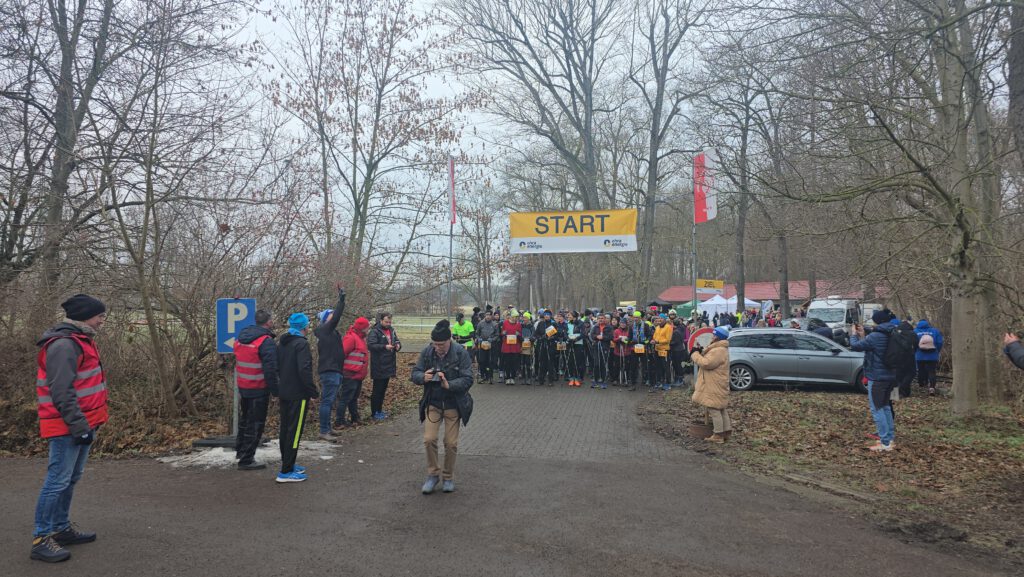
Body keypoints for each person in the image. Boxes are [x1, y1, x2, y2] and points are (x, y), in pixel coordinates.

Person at [31, 294, 109, 563]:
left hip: (83, 422)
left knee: (70, 478)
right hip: (68, 425)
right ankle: (41, 538)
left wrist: (90, 422)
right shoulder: (65, 345)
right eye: (100, 316)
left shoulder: (81, 340)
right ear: (85, 316)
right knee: (57, 481)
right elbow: (61, 391)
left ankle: (60, 528)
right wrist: (79, 426)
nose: (102, 321)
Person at [411, 320, 474, 494]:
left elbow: (468, 379)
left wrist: (449, 384)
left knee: (451, 443)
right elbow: (415, 372)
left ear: (449, 340)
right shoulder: (427, 352)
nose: (437, 347)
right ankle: (433, 475)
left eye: (441, 344)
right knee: (429, 439)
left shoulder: (460, 353)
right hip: (433, 403)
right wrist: (422, 377)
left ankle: (448, 477)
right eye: (435, 344)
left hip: (453, 404)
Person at [275, 313, 318, 483]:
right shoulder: (301, 344)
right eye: (307, 324)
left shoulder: (282, 343)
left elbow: (277, 367)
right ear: (304, 327)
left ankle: (288, 463)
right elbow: (304, 370)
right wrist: (312, 391)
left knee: (285, 429)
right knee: (295, 431)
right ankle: (286, 471)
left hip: (284, 392)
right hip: (298, 394)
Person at [234, 309, 280, 466]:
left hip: (243, 386)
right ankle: (247, 459)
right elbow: (270, 370)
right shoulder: (265, 342)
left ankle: (241, 451)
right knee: (255, 425)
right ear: (269, 322)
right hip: (258, 388)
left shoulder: (241, 338)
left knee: (245, 420)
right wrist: (276, 391)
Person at [850, 309, 898, 452]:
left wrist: (853, 335)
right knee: (885, 407)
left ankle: (885, 443)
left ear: (878, 321)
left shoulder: (876, 336)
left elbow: (856, 346)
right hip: (890, 377)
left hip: (877, 378)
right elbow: (870, 345)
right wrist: (863, 335)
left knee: (877, 409)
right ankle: (889, 438)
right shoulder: (893, 332)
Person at [314, 287, 346, 441]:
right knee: (327, 401)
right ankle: (324, 430)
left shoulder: (330, 331)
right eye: (332, 315)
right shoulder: (324, 329)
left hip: (336, 371)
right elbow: (336, 317)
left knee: (330, 400)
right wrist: (341, 301)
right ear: (327, 318)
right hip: (329, 371)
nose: (334, 317)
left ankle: (327, 428)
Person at [691, 326, 732, 443]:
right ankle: (726, 432)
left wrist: (695, 354)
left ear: (718, 337)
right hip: (717, 382)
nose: (712, 336)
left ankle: (718, 435)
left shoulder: (718, 350)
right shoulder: (719, 348)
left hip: (713, 383)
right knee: (721, 408)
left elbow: (706, 363)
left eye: (714, 335)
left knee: (713, 408)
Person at [336, 317, 371, 428]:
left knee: (353, 398)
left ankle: (355, 418)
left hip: (358, 375)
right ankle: (339, 421)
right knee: (345, 398)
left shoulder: (360, 338)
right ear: (362, 328)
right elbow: (341, 354)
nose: (368, 330)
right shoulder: (351, 338)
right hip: (350, 374)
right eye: (367, 328)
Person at [367, 312, 402, 420]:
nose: (388, 324)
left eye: (390, 322)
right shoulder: (374, 331)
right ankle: (374, 412)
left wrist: (398, 345)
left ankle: (379, 410)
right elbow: (371, 345)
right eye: (386, 322)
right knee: (377, 390)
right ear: (381, 320)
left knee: (383, 390)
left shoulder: (391, 330)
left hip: (389, 364)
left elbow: (396, 340)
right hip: (379, 365)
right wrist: (384, 347)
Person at [914, 319, 944, 395]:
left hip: (919, 355)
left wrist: (916, 351)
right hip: (932, 355)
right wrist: (936, 350)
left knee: (920, 370)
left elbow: (913, 343)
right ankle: (932, 387)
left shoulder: (915, 331)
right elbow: (940, 342)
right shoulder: (935, 331)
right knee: (932, 371)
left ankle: (922, 385)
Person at [612, 317, 636, 389]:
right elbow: (613, 339)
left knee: (626, 366)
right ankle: (615, 379)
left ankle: (626, 379)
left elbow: (631, 339)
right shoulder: (616, 331)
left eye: (624, 323)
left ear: (626, 324)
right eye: (621, 323)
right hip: (617, 352)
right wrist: (619, 339)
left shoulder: (629, 331)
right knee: (617, 366)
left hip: (626, 352)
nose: (623, 324)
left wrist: (627, 340)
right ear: (619, 323)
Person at [590, 315, 613, 389]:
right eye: (599, 318)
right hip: (596, 347)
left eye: (602, 318)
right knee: (596, 364)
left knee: (603, 364)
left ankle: (603, 381)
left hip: (605, 347)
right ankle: (596, 380)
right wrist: (596, 336)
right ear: (597, 319)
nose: (600, 319)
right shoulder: (595, 327)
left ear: (605, 319)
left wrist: (603, 337)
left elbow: (611, 337)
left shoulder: (609, 327)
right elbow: (591, 335)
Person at [500, 309, 523, 385]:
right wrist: (503, 333)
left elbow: (520, 336)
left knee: (514, 363)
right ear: (510, 317)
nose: (514, 318)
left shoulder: (518, 324)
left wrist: (518, 334)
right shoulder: (505, 323)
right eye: (513, 317)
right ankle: (507, 378)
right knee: (507, 362)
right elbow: (502, 333)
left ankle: (512, 378)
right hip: (507, 346)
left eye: (515, 317)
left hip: (515, 347)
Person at [475, 310, 499, 383]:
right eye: (486, 315)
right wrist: (479, 339)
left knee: (490, 361)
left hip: (491, 345)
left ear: (491, 316)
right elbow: (477, 334)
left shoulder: (495, 324)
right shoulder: (480, 323)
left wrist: (492, 339)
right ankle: (483, 376)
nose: (488, 316)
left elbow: (497, 335)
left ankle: (490, 377)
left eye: (489, 315)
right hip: (482, 344)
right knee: (482, 361)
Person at [565, 311, 587, 387]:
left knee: (577, 362)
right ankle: (571, 378)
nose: (568, 316)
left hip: (578, 344)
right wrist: (568, 339)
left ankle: (577, 378)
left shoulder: (581, 323)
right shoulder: (568, 323)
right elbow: (565, 333)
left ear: (574, 316)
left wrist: (576, 339)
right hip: (569, 344)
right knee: (570, 361)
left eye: (570, 315)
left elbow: (583, 334)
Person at [653, 315, 673, 391]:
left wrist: (658, 341)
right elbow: (654, 336)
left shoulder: (668, 327)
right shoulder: (657, 327)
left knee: (666, 366)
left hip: (665, 350)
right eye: (659, 318)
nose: (660, 320)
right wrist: (653, 340)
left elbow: (668, 339)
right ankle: (659, 382)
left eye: (661, 318)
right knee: (658, 366)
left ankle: (668, 383)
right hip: (657, 349)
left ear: (664, 319)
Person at [670, 318, 687, 386]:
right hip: (681, 349)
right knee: (679, 365)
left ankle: (679, 381)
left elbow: (675, 342)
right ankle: (680, 380)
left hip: (676, 350)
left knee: (677, 365)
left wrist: (669, 343)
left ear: (673, 324)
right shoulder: (682, 329)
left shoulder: (676, 332)